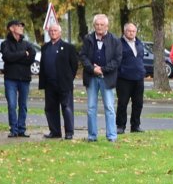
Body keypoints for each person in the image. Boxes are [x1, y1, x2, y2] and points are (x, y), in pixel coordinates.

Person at [80, 13, 121, 142]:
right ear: (94, 25)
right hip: (91, 77)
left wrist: (102, 69)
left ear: (107, 26)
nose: (99, 27)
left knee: (109, 107)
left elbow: (117, 60)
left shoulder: (115, 40)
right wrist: (93, 69)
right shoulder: (88, 39)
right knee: (91, 108)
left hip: (107, 78)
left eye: (102, 24)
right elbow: (83, 56)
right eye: (97, 24)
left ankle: (112, 136)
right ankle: (92, 136)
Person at [37, 22, 78, 139]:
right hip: (49, 84)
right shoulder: (45, 47)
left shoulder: (68, 47)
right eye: (51, 31)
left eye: (55, 31)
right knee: (50, 108)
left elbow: (74, 65)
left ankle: (69, 132)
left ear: (60, 32)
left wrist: (68, 78)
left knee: (66, 107)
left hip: (64, 84)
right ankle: (55, 131)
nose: (53, 33)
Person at [0, 20, 37, 137]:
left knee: (23, 105)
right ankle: (13, 130)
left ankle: (21, 129)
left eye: (22, 26)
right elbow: (7, 57)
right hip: (10, 78)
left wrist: (18, 57)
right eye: (19, 26)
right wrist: (22, 54)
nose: (21, 28)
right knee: (11, 104)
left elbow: (31, 57)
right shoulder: (5, 44)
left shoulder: (27, 44)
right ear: (11, 28)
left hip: (24, 78)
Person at [113, 21, 149, 135]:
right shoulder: (118, 43)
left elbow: (141, 57)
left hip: (138, 78)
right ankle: (120, 126)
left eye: (133, 31)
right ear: (124, 31)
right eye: (129, 31)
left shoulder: (139, 43)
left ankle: (135, 126)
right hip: (124, 79)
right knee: (123, 103)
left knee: (138, 103)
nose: (131, 33)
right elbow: (116, 60)